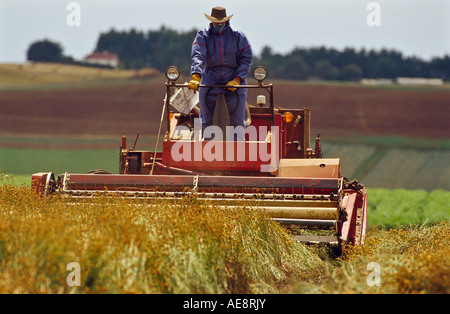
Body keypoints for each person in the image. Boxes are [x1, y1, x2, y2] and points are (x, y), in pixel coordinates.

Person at [188, 7, 253, 139]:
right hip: (210, 79)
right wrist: (196, 75)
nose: (219, 25)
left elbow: (246, 58)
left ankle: (238, 155)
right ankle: (208, 153)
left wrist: (238, 79)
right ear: (211, 21)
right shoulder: (203, 35)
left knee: (236, 124)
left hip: (234, 79)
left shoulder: (238, 36)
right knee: (208, 123)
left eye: (221, 22)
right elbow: (198, 55)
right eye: (216, 22)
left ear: (226, 21)